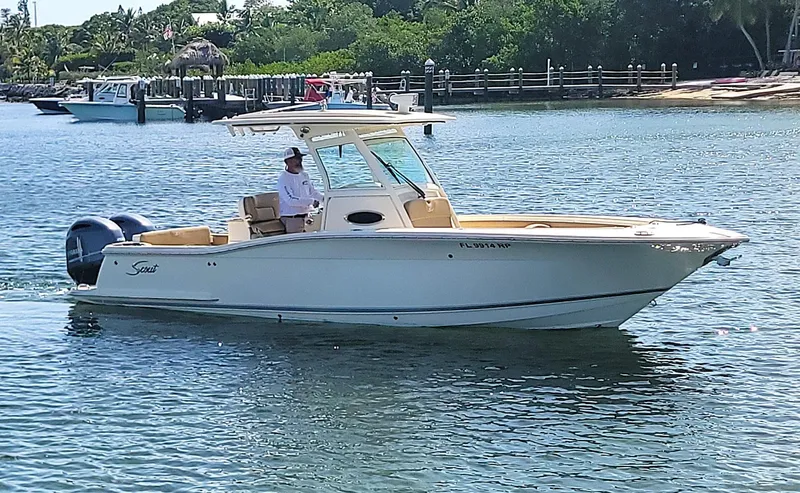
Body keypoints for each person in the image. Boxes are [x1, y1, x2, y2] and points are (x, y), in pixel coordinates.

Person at [277, 147, 324, 233]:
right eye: (296, 159)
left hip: (307, 216)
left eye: (300, 158)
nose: (300, 161)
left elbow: (312, 192)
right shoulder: (283, 179)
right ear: (288, 162)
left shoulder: (304, 175)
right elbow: (290, 200)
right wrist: (311, 202)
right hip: (292, 219)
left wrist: (325, 199)